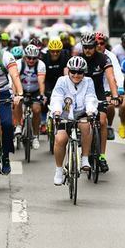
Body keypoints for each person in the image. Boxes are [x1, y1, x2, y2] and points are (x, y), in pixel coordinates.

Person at [50, 56, 98, 185]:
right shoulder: (62, 81)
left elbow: (90, 97)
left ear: (84, 72)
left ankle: (85, 158)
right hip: (64, 113)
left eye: (80, 72)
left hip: (82, 112)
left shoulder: (88, 81)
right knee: (60, 139)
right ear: (68, 71)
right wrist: (57, 111)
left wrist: (91, 110)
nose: (76, 75)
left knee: (86, 126)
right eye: (73, 72)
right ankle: (59, 170)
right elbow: (57, 97)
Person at [0, 29, 24, 174]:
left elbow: (14, 75)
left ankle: (5, 156)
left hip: (2, 93)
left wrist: (19, 93)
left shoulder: (6, 56)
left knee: (7, 124)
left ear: (0, 43)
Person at [81, 32, 120, 172]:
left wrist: (115, 95)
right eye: (85, 47)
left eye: (90, 47)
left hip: (98, 93)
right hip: (82, 94)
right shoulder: (78, 59)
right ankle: (82, 152)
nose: (88, 50)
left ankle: (102, 156)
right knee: (83, 123)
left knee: (102, 121)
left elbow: (111, 77)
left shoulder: (104, 58)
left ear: (95, 46)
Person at [14, 44, 46, 149]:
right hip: (21, 89)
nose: (31, 60)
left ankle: (35, 136)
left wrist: (41, 95)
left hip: (34, 90)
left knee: (36, 110)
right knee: (17, 101)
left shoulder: (41, 65)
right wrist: (16, 94)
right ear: (24, 57)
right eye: (29, 58)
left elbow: (41, 82)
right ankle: (18, 125)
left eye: (34, 58)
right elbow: (15, 80)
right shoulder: (18, 64)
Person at [94, 32, 123, 140]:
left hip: (106, 88)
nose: (99, 46)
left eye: (102, 43)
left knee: (110, 105)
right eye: (96, 43)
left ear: (105, 44)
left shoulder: (110, 56)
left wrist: (120, 88)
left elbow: (118, 73)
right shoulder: (88, 54)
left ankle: (109, 126)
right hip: (91, 89)